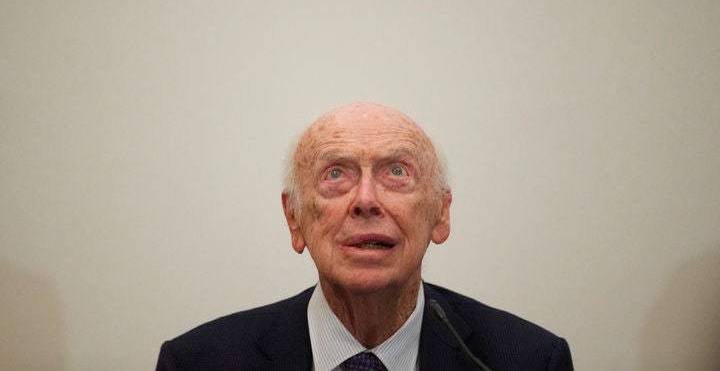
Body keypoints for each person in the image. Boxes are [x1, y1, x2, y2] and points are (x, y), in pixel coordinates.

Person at [155, 102, 573, 370]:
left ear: (441, 212)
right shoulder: (196, 362)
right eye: (336, 174)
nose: (366, 200)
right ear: (294, 218)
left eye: (397, 172)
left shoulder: (531, 360)